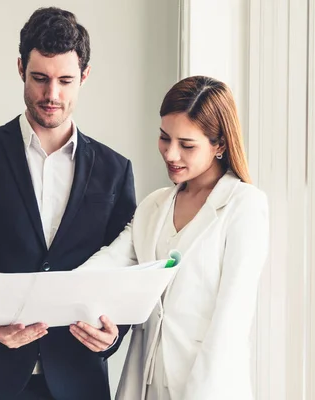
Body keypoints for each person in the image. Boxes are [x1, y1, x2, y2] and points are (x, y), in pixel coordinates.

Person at [0, 6, 136, 400]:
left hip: (79, 379)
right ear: (19, 69)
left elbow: (126, 266)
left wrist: (112, 335)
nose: (52, 95)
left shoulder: (116, 169)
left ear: (85, 75)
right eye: (40, 78)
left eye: (65, 80)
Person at [72, 76, 269, 399]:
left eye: (187, 145)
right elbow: (108, 263)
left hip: (206, 385)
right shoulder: (155, 205)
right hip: (145, 382)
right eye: (165, 138)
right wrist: (43, 295)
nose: (171, 154)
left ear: (219, 145)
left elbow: (231, 319)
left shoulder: (244, 205)